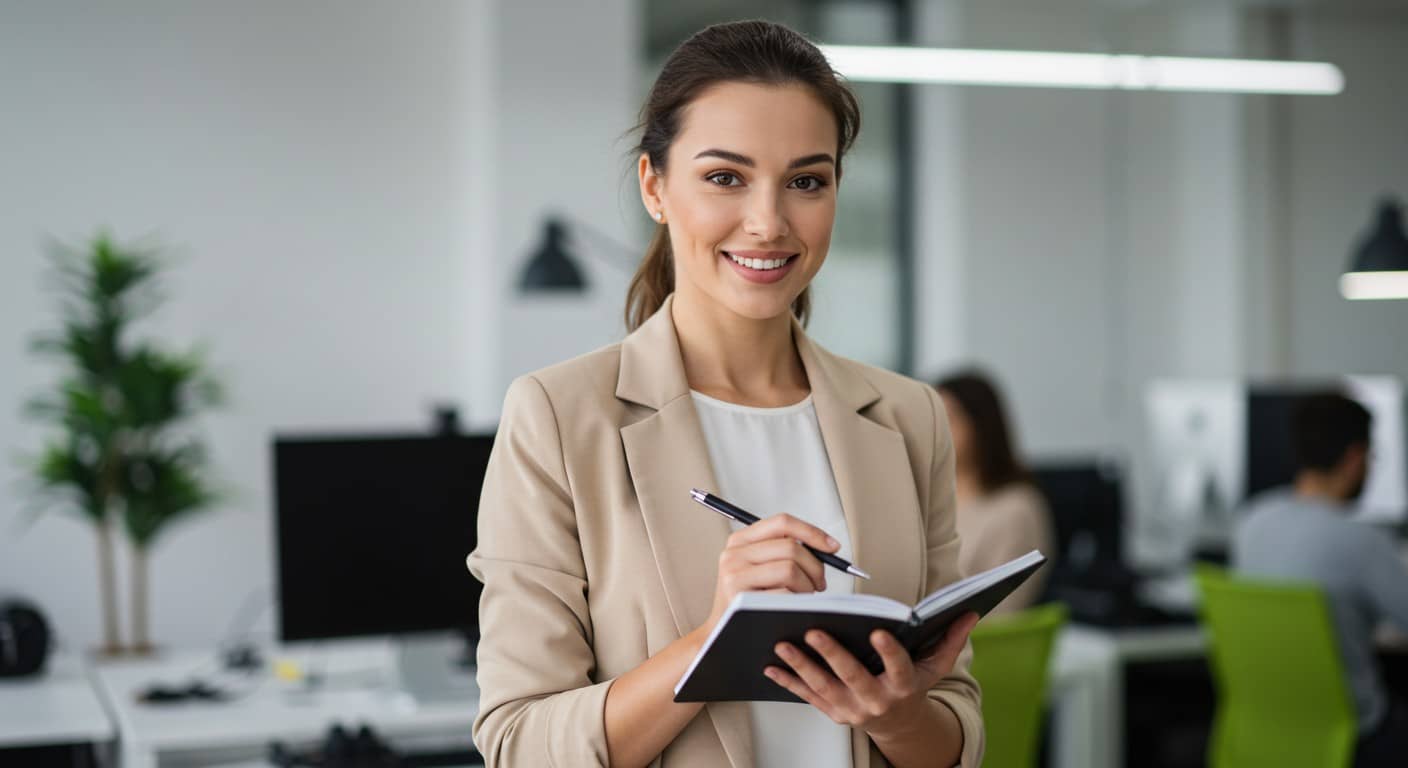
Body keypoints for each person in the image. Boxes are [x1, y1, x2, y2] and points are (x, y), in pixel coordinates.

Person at [465, 20, 983, 768]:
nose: (769, 223)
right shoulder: (557, 417)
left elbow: (956, 733)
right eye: (725, 177)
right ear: (655, 186)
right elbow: (519, 745)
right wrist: (718, 638)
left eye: (807, 181)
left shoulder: (908, 417)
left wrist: (897, 716)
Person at [1233, 392, 1408, 767]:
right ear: (1354, 458)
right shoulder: (1361, 540)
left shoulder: (1251, 522)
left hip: (1270, 733)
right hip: (1354, 741)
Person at [935, 370, 1054, 615]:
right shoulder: (933, 502)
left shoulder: (1017, 509)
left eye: (949, 419)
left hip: (973, 645)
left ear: (980, 425)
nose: (936, 433)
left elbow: (1002, 610)